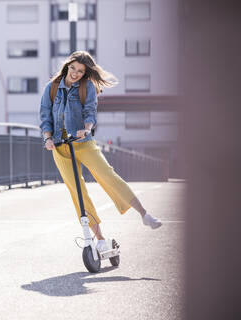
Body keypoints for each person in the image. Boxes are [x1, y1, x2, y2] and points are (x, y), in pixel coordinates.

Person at [39, 51, 162, 252]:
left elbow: (90, 113)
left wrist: (86, 129)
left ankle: (144, 214)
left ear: (85, 73)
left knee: (107, 174)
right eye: (73, 69)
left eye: (80, 71)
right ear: (67, 66)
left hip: (83, 143)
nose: (76, 73)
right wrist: (47, 138)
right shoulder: (51, 88)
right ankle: (100, 239)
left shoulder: (86, 87)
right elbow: (45, 116)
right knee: (78, 192)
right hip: (60, 148)